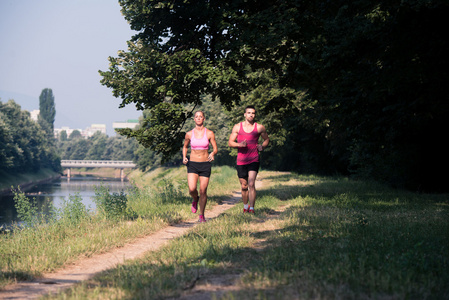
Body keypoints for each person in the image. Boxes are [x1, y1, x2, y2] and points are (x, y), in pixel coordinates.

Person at [228, 105, 269, 214]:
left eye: (253, 113)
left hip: (254, 159)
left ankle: (252, 208)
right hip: (241, 160)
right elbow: (230, 142)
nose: (251, 115)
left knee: (251, 183)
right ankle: (245, 206)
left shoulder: (259, 127)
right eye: (249, 113)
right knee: (244, 185)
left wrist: (262, 146)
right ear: (245, 114)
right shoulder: (237, 127)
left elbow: (266, 139)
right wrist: (239, 144)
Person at [182, 111, 218, 223]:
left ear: (204, 119)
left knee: (203, 191)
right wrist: (184, 157)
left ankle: (201, 216)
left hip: (205, 164)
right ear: (194, 119)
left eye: (200, 116)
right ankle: (195, 199)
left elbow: (215, 148)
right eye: (196, 117)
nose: (198, 118)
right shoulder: (189, 134)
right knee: (192, 189)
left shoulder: (210, 133)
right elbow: (185, 147)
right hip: (192, 163)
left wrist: (212, 154)